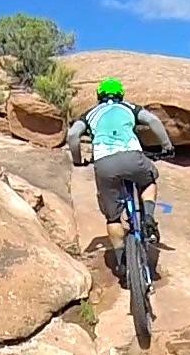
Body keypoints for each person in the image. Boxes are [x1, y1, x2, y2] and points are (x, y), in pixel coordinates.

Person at [67, 78, 174, 275]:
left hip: (104, 163)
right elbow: (153, 120)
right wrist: (167, 146)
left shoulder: (90, 113)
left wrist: (77, 159)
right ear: (120, 95)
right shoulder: (129, 107)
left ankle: (122, 264)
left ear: (99, 96)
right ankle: (148, 217)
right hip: (132, 156)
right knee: (148, 180)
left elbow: (73, 135)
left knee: (113, 218)